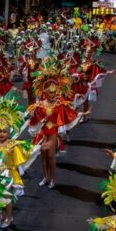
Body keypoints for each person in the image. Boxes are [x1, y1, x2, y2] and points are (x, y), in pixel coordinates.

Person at [0, 94, 37, 228]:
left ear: (9, 132)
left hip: (9, 174)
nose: (2, 134)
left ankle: (8, 217)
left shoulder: (13, 144)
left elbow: (25, 152)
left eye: (4, 131)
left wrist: (38, 147)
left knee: (7, 198)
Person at [27, 59, 79, 189]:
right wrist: (33, 115)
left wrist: (81, 114)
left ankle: (53, 180)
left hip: (53, 135)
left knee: (50, 156)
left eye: (55, 91)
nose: (53, 94)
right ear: (45, 92)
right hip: (43, 134)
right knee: (43, 157)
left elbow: (69, 113)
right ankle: (46, 177)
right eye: (50, 92)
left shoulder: (59, 104)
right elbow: (35, 120)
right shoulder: (39, 105)